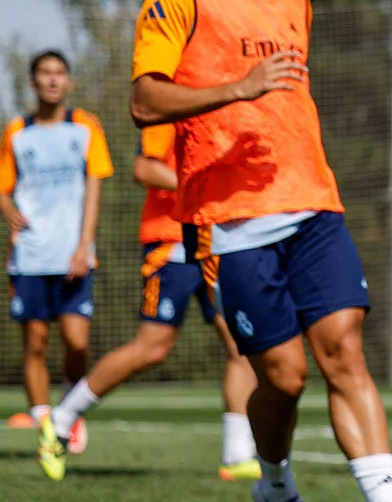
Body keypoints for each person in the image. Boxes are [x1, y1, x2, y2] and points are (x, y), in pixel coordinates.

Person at [128, 0, 392, 502]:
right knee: (283, 377)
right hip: (230, 220)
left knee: (345, 350)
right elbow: (144, 99)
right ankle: (278, 489)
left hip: (314, 201)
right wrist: (237, 87)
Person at [46, 122, 260, 480]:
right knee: (152, 348)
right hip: (170, 244)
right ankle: (62, 418)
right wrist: (202, 188)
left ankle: (237, 455)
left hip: (215, 242)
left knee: (240, 343)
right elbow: (144, 168)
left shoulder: (221, 107)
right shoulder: (169, 109)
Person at [3, 51, 111, 478]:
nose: (52, 81)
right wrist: (7, 209)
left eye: (59, 74)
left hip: (73, 254)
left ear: (69, 82)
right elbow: (4, 188)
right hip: (30, 255)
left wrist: (84, 245)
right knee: (34, 342)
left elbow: (94, 186)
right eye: (44, 74)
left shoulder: (85, 127)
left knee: (77, 340)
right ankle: (47, 426)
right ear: (33, 83)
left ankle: (70, 411)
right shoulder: (17, 131)